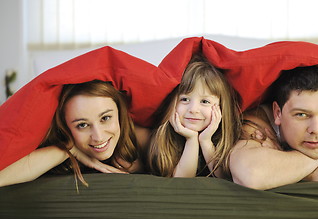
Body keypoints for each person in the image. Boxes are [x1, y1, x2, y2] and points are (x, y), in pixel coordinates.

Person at [0, 80, 150, 187]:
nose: (98, 137)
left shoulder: (144, 137)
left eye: (105, 118)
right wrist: (68, 150)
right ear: (65, 125)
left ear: (119, 111)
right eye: (82, 125)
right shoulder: (60, 145)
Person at [148, 55, 241, 178]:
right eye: (185, 99)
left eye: (205, 101)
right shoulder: (163, 138)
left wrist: (205, 141)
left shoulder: (231, 138)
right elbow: (182, 182)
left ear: (222, 108)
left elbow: (225, 178)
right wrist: (191, 140)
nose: (193, 110)